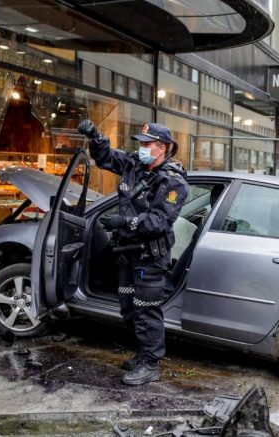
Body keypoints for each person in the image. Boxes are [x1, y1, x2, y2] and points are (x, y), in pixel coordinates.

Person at [77, 119, 189, 385]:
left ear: (162, 148)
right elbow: (105, 158)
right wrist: (95, 136)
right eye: (141, 143)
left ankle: (151, 364)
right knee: (129, 309)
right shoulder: (133, 165)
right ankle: (142, 354)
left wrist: (124, 222)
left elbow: (161, 221)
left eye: (147, 144)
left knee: (147, 311)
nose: (142, 148)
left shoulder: (174, 183)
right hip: (128, 254)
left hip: (150, 257)